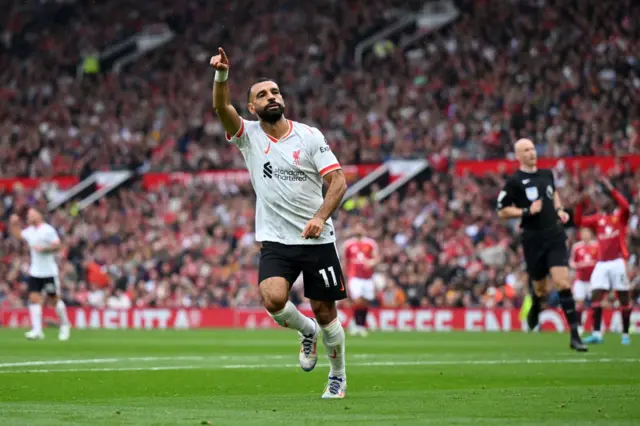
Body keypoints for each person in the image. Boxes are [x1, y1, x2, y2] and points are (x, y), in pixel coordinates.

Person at [210, 47, 349, 398]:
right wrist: (222, 75)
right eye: (261, 95)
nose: (270, 97)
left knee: (325, 311)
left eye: (274, 91)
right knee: (273, 299)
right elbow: (220, 108)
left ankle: (337, 375)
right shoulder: (249, 137)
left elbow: (339, 181)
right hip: (276, 239)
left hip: (317, 239)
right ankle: (306, 332)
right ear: (252, 108)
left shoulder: (310, 136)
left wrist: (320, 217)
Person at [496, 138, 586, 352]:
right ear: (518, 156)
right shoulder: (514, 181)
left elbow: (552, 194)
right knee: (541, 289)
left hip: (554, 234)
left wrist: (560, 210)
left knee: (563, 282)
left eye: (533, 149)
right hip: (532, 239)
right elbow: (502, 210)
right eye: (526, 150)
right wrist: (526, 212)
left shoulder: (547, 174)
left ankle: (575, 335)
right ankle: (536, 304)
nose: (531, 152)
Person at [574, 176, 632, 345]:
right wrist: (580, 203)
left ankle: (625, 334)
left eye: (606, 198)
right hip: (602, 263)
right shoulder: (598, 219)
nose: (603, 200)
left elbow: (626, 206)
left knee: (623, 298)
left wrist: (612, 190)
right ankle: (597, 333)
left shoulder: (620, 217)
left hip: (617, 262)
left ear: (611, 201)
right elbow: (578, 221)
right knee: (595, 295)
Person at [9, 208, 71, 341]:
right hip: (35, 272)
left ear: (39, 215)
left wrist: (44, 249)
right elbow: (19, 235)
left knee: (54, 299)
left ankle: (65, 325)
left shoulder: (48, 230)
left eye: (32, 214)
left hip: (48, 272)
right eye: (28, 215)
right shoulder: (30, 231)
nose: (29, 217)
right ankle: (37, 330)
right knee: (33, 299)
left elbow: (58, 246)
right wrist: (13, 224)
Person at [343, 223, 379, 337]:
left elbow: (376, 258)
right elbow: (345, 261)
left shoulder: (370, 243)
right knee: (357, 300)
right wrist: (345, 276)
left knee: (365, 301)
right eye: (356, 227)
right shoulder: (348, 244)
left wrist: (371, 262)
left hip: (367, 277)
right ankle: (357, 324)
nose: (358, 229)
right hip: (355, 276)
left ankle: (361, 325)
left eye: (361, 227)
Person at [569, 227, 599, 335]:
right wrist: (580, 265)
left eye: (586, 232)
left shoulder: (597, 246)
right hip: (580, 280)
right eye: (583, 233)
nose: (584, 235)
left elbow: (600, 261)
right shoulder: (576, 247)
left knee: (595, 303)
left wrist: (592, 263)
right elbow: (571, 263)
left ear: (591, 234)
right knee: (579, 303)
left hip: (593, 280)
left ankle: (595, 327)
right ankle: (579, 326)